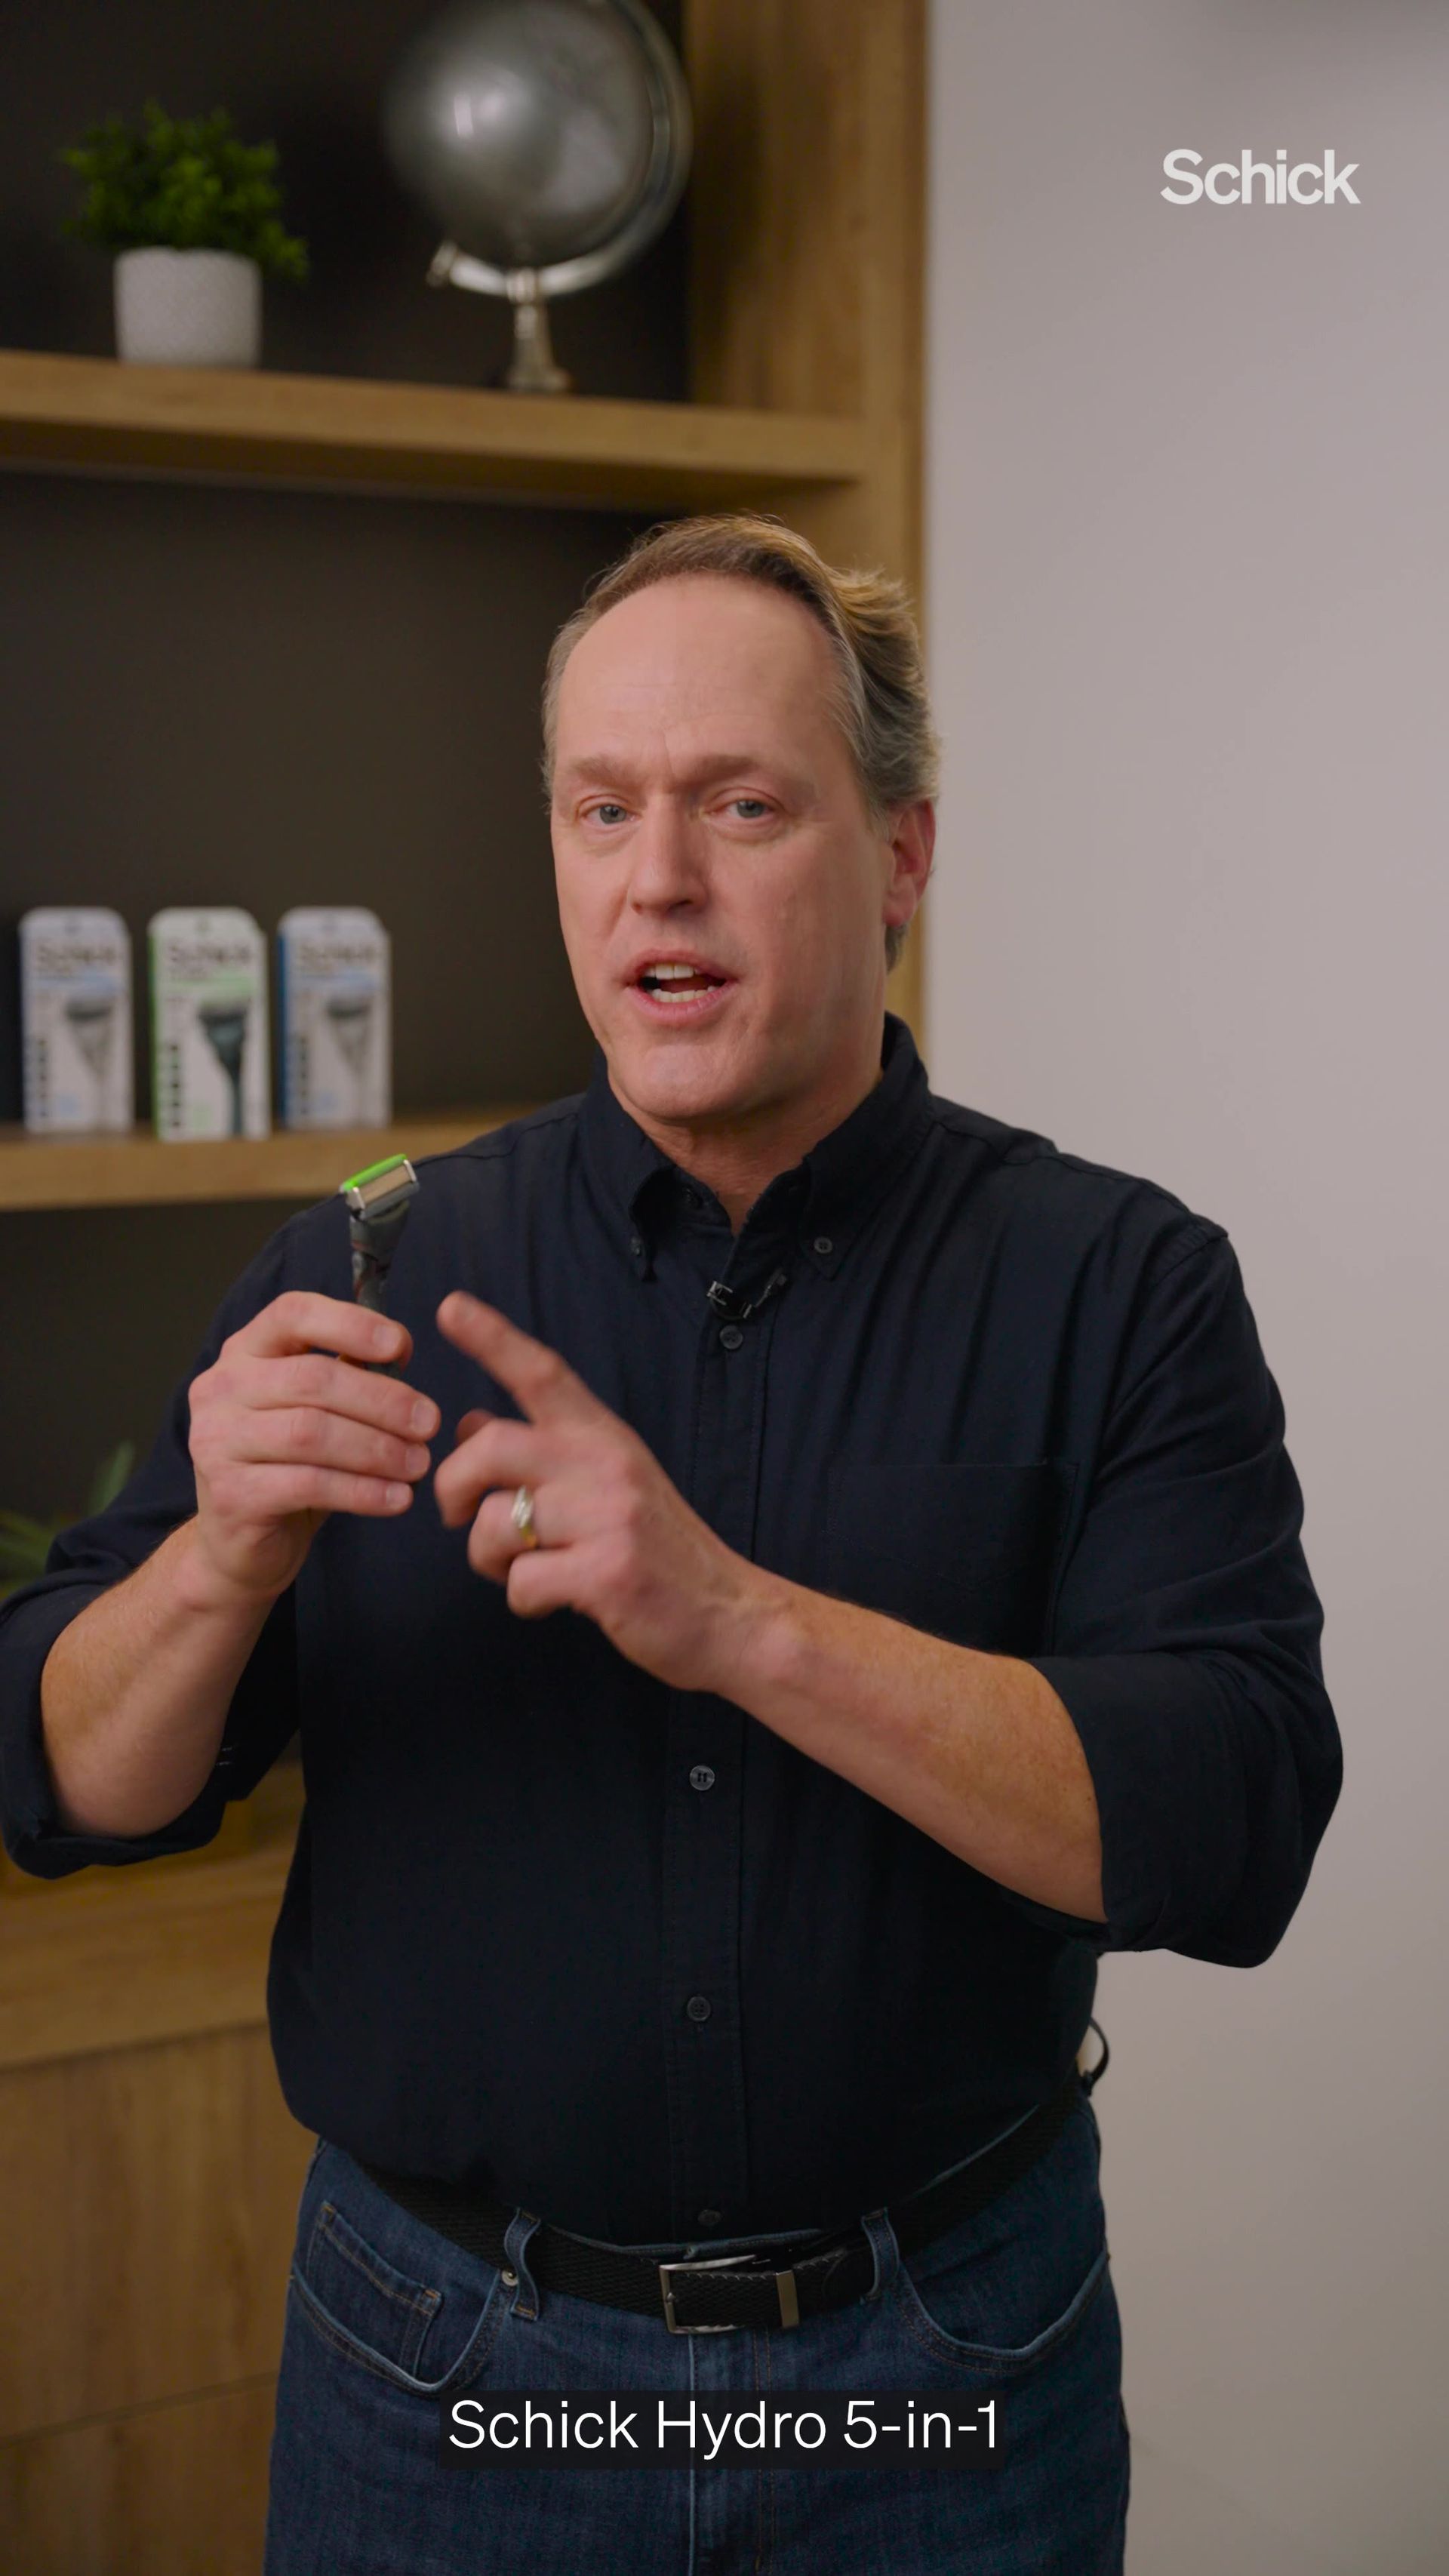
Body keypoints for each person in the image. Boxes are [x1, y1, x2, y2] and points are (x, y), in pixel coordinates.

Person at [0, 514, 1342, 2574]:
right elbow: (72, 1777)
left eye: (742, 804)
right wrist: (215, 1565)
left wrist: (730, 1620)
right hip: (440, 2367)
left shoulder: (1121, 1284)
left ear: (899, 857)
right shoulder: (370, 1268)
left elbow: (1230, 1828)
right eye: (602, 808)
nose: (660, 879)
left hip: (947, 2375)